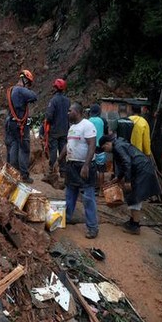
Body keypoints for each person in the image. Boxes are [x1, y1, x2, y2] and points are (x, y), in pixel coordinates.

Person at [99, 134, 160, 234]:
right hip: (141, 169)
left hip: (141, 171)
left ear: (107, 143)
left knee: (135, 197)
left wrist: (127, 181)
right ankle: (133, 221)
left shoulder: (118, 147)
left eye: (104, 148)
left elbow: (127, 162)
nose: (105, 150)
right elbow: (124, 165)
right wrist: (118, 178)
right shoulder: (119, 145)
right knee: (132, 196)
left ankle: (135, 226)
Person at [59, 102, 98, 239]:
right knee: (70, 194)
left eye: (70, 111)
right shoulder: (72, 127)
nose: (68, 113)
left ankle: (92, 227)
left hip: (84, 166)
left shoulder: (87, 125)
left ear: (77, 111)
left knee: (88, 197)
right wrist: (60, 159)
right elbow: (68, 144)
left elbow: (92, 145)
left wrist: (86, 165)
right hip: (72, 166)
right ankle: (68, 217)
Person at [5, 70, 37, 183]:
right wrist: (27, 90)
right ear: (25, 80)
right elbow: (34, 96)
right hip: (21, 125)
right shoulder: (21, 90)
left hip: (11, 123)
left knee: (14, 146)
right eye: (28, 83)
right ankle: (24, 174)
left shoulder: (11, 90)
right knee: (24, 149)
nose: (28, 86)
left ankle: (13, 172)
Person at [45, 78, 69, 178]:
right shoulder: (68, 101)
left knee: (53, 150)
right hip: (64, 130)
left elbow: (49, 116)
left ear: (56, 88)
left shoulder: (53, 101)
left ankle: (52, 171)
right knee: (63, 150)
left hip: (54, 130)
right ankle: (63, 171)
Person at [88, 104, 109, 191]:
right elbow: (106, 133)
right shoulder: (103, 120)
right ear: (99, 112)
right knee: (101, 169)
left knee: (91, 168)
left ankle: (92, 188)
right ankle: (101, 190)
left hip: (90, 147)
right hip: (100, 147)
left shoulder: (88, 121)